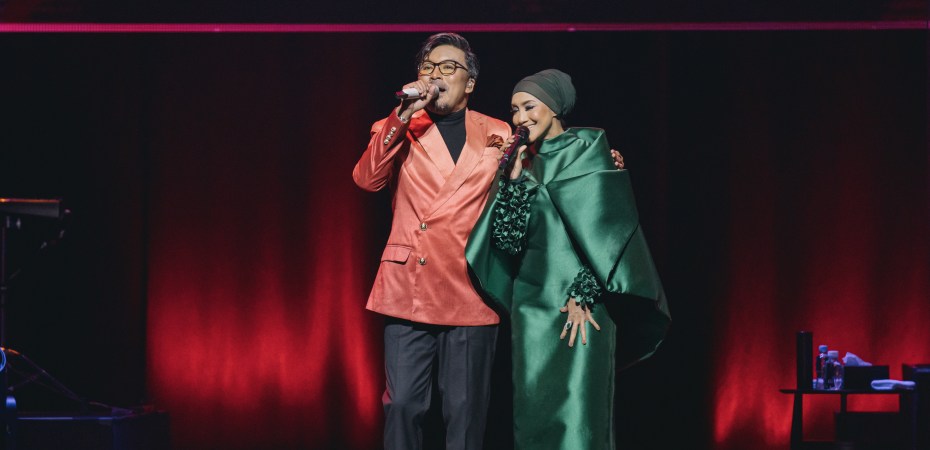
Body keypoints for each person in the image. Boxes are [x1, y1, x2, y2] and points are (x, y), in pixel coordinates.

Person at [465, 69, 671, 450]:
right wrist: (511, 181)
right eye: (514, 109)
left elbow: (611, 233)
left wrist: (584, 293)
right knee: (533, 420)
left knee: (579, 421)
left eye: (530, 107)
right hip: (532, 310)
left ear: (555, 107)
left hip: (583, 304)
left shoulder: (592, 151)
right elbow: (507, 242)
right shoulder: (519, 163)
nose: (520, 118)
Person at [352, 33, 511, 450]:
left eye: (448, 67)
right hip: (410, 286)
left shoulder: (497, 131)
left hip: (470, 286)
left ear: (469, 83)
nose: (436, 74)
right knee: (403, 405)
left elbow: (531, 182)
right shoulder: (397, 125)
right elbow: (366, 180)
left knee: (466, 412)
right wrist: (404, 114)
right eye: (428, 66)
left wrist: (597, 161)